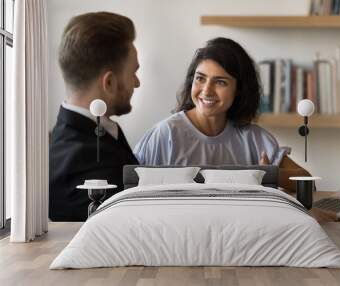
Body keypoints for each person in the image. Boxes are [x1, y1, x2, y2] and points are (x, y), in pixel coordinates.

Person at [134, 37, 309, 191]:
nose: (207, 90)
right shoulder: (165, 135)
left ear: (239, 90)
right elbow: (131, 190)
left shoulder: (253, 138)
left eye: (220, 82)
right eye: (200, 78)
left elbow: (307, 181)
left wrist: (267, 174)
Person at [49, 12, 140, 221]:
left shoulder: (96, 132)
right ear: (108, 83)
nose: (137, 82)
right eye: (133, 72)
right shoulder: (83, 164)